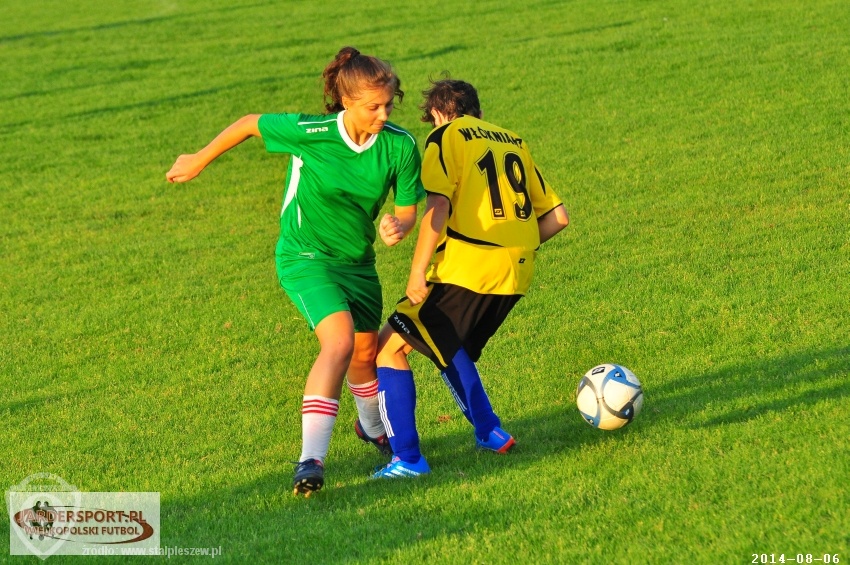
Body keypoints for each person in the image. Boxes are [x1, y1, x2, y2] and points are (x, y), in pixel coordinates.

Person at [166, 47, 425, 496]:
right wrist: (198, 158)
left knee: (364, 356)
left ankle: (372, 430)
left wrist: (398, 226)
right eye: (373, 107)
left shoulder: (400, 145)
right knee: (339, 342)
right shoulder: (312, 132)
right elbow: (250, 123)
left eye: (388, 105)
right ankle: (311, 460)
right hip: (305, 257)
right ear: (347, 102)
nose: (383, 115)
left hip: (358, 264)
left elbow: (407, 210)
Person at [371, 78, 570, 478]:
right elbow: (557, 217)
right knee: (446, 343)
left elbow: (438, 205)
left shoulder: (445, 136)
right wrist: (513, 247)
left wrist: (416, 272)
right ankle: (489, 431)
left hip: (466, 269)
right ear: (478, 111)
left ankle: (408, 459)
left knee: (387, 347)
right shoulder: (513, 141)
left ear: (438, 114)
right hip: (516, 273)